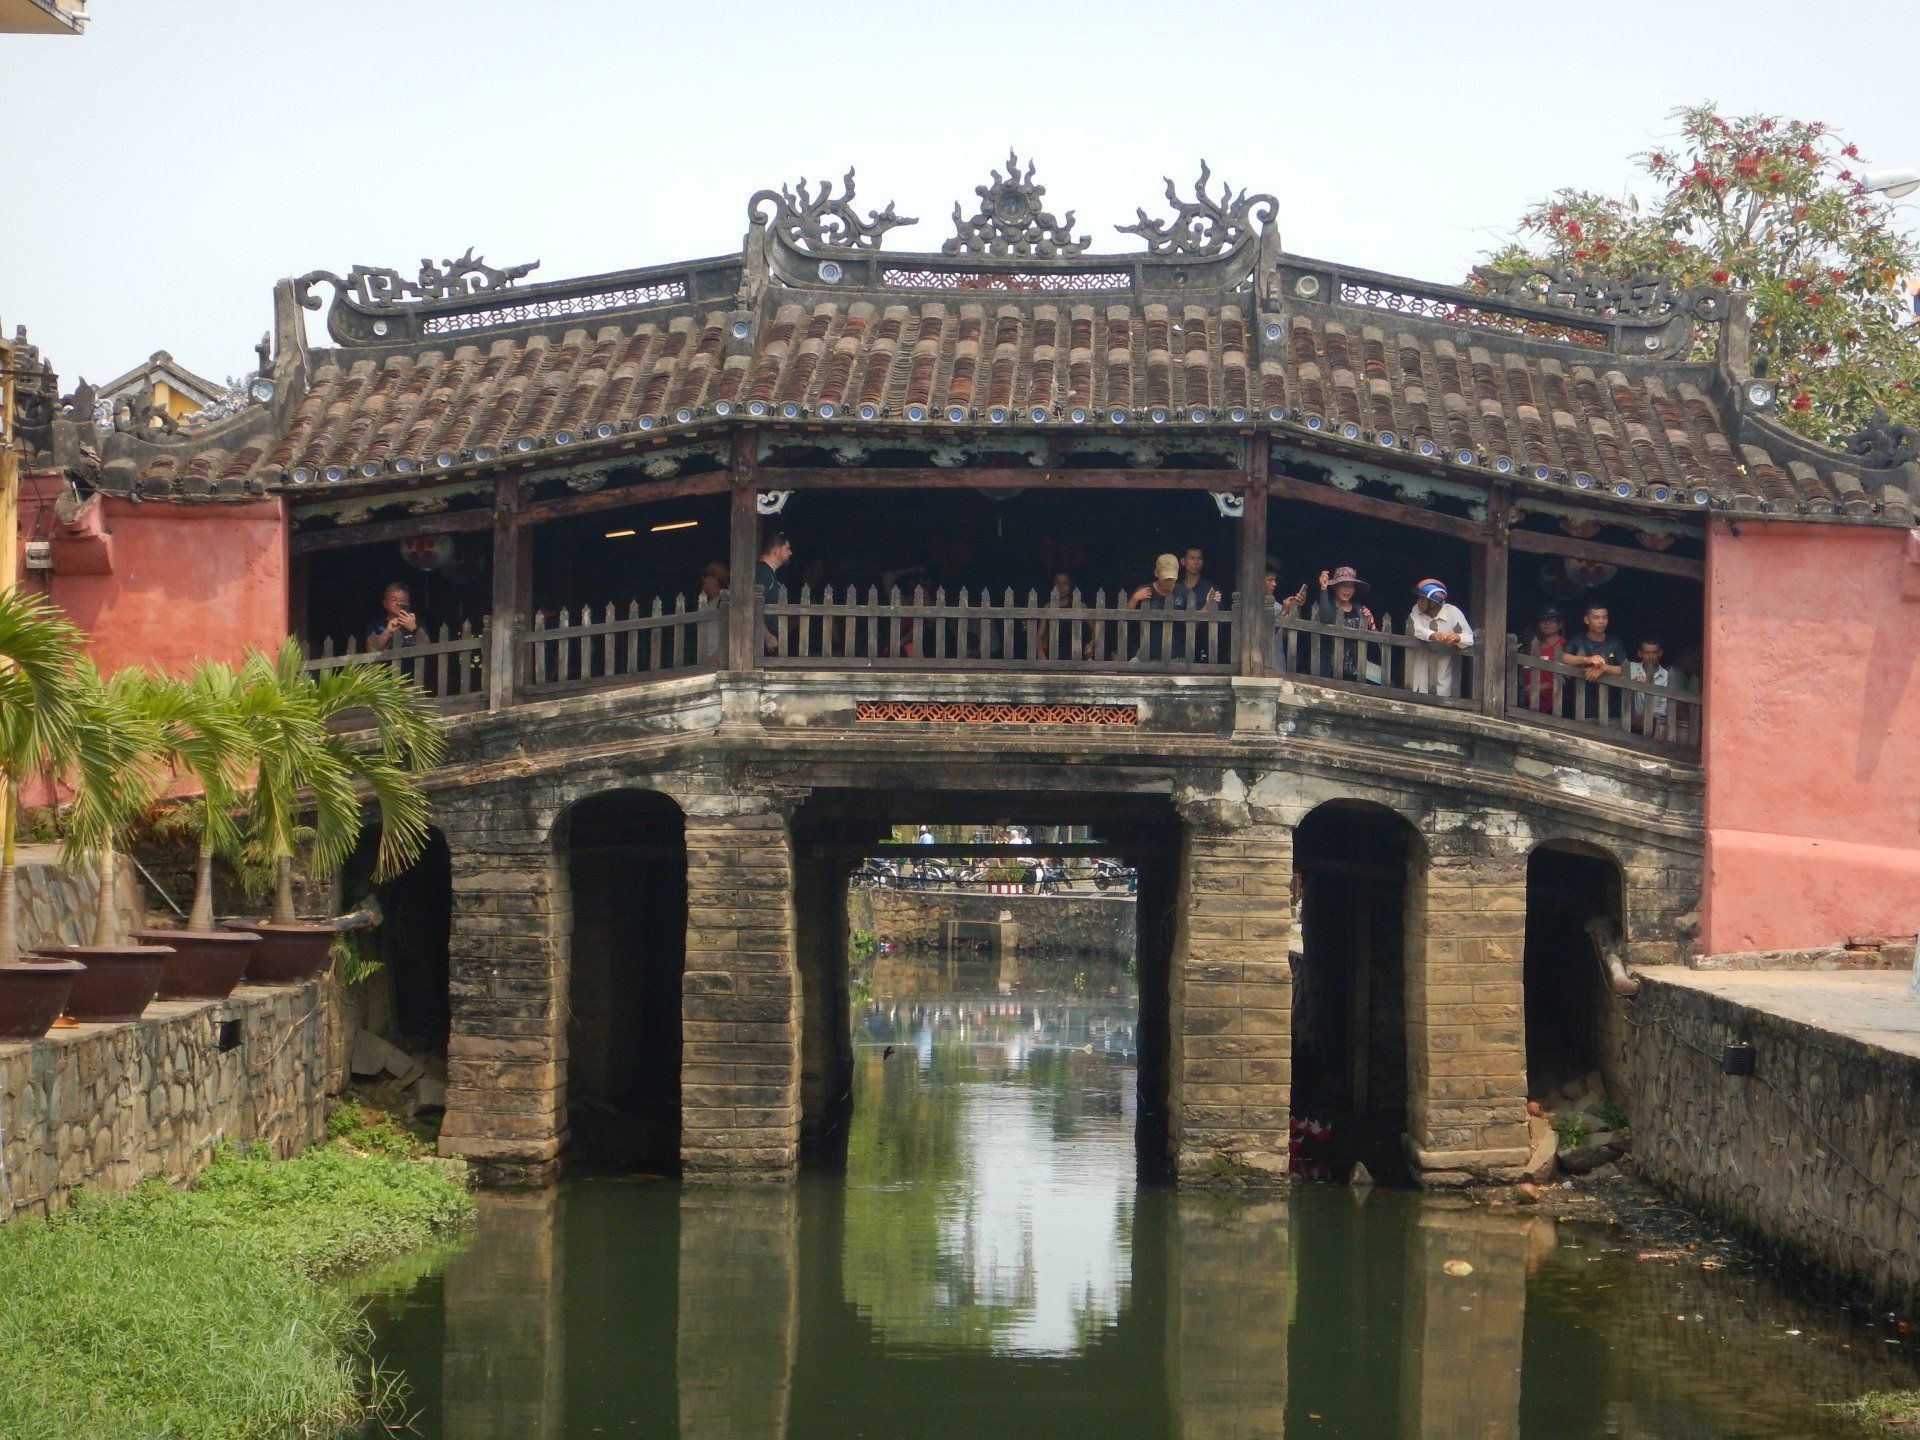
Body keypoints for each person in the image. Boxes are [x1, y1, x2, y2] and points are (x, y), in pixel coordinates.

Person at [1406, 578, 1475, 697]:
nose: (1418, 601)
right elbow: (1414, 629)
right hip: (1417, 683)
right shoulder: (1416, 610)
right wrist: (1434, 635)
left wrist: (1457, 638)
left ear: (1434, 602)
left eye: (1422, 599)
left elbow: (1470, 638)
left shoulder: (1453, 612)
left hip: (1441, 684)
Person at [1309, 566, 1376, 681]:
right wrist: (1323, 588)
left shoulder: (1359, 610)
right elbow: (1326, 618)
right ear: (1335, 587)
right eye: (1344, 585)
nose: (1347, 590)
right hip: (1328, 671)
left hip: (1355, 673)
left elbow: (1375, 640)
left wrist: (1370, 621)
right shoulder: (1327, 607)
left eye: (1351, 586)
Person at [1562, 601, 1626, 720]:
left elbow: (1625, 669)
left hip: (1612, 707)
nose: (1602, 621)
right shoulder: (1577, 640)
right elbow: (1563, 657)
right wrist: (1587, 659)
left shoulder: (1615, 642)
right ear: (1587, 620)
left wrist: (1604, 668)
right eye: (1596, 618)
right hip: (1582, 704)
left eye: (1605, 617)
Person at [1130, 553, 1199, 661]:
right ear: (1156, 573)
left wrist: (1208, 604)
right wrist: (1135, 598)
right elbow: (1127, 619)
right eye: (1165, 578)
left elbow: (1194, 623)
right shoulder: (1144, 590)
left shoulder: (1185, 593)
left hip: (1177, 656)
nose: (1169, 582)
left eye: (1172, 578)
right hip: (1147, 654)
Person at [1176, 547, 1222, 662]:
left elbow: (1219, 622)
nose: (1196, 562)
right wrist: (1207, 605)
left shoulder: (1210, 588)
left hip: (1203, 646)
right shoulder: (1175, 587)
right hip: (1177, 646)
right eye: (1192, 558)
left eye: (1199, 559)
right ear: (1183, 561)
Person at [1518, 607, 1568, 714]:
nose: (1547, 623)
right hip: (1527, 706)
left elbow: (1568, 679)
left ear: (1560, 625)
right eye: (1543, 620)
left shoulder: (1566, 646)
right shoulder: (1529, 649)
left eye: (1552, 620)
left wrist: (1540, 687)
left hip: (1555, 707)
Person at [1628, 636, 1673, 739]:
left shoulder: (1666, 676)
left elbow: (1664, 708)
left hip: (1657, 728)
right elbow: (1611, 669)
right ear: (1640, 653)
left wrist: (1646, 716)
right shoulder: (1633, 668)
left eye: (1654, 652)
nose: (1651, 656)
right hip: (1632, 726)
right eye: (1647, 653)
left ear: (1660, 653)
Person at [1263, 567, 1307, 672]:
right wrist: (1283, 613)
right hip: (1258, 663)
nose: (1274, 584)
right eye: (1270, 580)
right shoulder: (1250, 607)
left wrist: (1296, 608)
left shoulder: (1278, 606)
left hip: (1277, 663)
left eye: (1274, 580)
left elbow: (1288, 636)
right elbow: (1264, 636)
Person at [755, 533, 792, 654]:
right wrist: (767, 636)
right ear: (776, 550)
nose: (790, 553)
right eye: (787, 548)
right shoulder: (763, 573)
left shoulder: (768, 573)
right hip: (759, 645)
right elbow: (751, 606)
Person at [367, 581, 419, 663]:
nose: (398, 603)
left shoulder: (416, 622)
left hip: (412, 669)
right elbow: (371, 650)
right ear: (385, 603)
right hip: (385, 670)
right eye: (393, 599)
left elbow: (428, 649)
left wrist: (413, 629)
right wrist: (388, 631)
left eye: (402, 600)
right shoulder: (376, 625)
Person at [695, 562, 728, 664]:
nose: (703, 579)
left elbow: (734, 631)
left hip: (720, 660)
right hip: (707, 659)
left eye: (706, 576)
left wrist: (717, 655)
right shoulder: (709, 604)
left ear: (716, 579)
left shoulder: (726, 601)